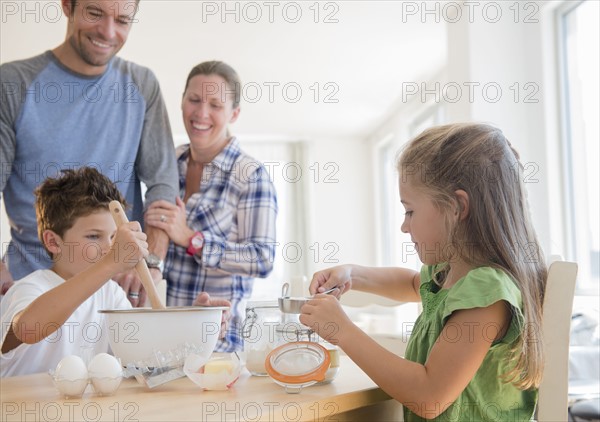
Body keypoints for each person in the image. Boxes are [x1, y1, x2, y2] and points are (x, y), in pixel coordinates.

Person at [300, 123, 547, 421]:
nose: (405, 226)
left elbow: (430, 396)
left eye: (410, 211)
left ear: (457, 206)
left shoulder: (487, 293)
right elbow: (411, 283)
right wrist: (353, 274)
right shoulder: (450, 273)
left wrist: (344, 332)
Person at [0, 0, 178, 306]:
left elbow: (163, 187)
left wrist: (151, 261)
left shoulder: (142, 85)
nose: (108, 32)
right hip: (31, 288)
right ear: (67, 6)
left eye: (122, 20)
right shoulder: (13, 83)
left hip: (119, 294)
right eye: (94, 13)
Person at [0, 168, 230, 377]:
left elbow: (152, 358)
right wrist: (111, 262)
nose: (109, 247)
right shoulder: (30, 288)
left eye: (113, 237)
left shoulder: (110, 295)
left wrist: (198, 327)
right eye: (93, 236)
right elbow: (29, 329)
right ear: (53, 242)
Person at [144, 61, 278, 352]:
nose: (201, 113)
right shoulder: (168, 163)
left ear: (234, 113)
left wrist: (192, 239)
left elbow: (263, 258)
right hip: (159, 340)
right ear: (181, 102)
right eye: (194, 100)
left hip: (216, 346)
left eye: (215, 104)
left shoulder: (250, 175)